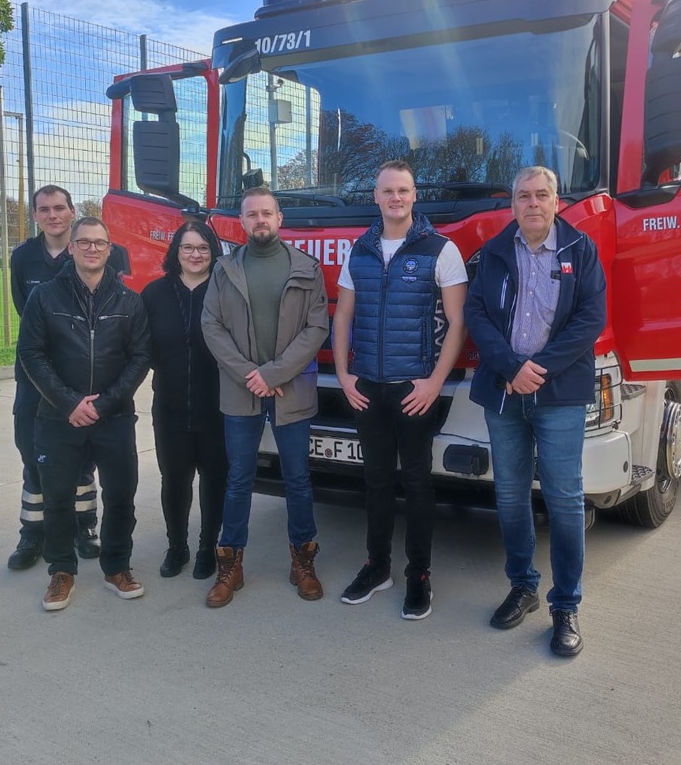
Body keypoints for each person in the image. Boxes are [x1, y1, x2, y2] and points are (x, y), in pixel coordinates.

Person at [463, 166, 607, 657]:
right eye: (523, 196)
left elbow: (591, 318)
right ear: (513, 205)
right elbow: (476, 312)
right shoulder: (497, 251)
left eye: (541, 195)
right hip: (504, 393)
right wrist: (509, 366)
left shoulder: (580, 250)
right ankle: (522, 586)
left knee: (565, 500)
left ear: (557, 201)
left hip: (559, 394)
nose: (532, 203)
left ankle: (565, 605)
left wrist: (537, 369)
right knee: (509, 495)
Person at [333, 160, 467, 619]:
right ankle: (377, 567)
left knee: (416, 483)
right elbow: (343, 317)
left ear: (414, 196)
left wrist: (434, 382)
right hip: (368, 386)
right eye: (387, 191)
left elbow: (457, 323)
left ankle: (419, 576)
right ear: (375, 197)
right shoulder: (361, 251)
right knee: (375, 482)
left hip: (415, 388)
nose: (395, 198)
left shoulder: (440, 250)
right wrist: (346, 376)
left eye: (403, 191)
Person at [200, 186, 329, 608]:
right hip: (241, 393)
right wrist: (250, 376)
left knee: (298, 479)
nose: (259, 220)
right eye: (251, 214)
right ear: (242, 221)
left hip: (292, 389)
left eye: (266, 213)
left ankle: (303, 562)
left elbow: (316, 329)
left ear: (279, 219)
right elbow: (212, 327)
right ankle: (231, 565)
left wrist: (273, 373)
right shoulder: (224, 270)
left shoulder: (307, 269)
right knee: (238, 479)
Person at [17, 217, 151, 611]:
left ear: (110, 250)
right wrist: (69, 403)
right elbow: (31, 354)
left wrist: (105, 403)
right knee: (57, 495)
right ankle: (61, 571)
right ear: (71, 247)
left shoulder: (130, 301)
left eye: (100, 243)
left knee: (122, 495)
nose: (92, 249)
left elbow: (140, 356)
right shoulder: (45, 297)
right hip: (58, 418)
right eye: (85, 242)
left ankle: (117, 567)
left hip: (115, 417)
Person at [6, 184, 131, 570]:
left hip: (87, 380)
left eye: (59, 208)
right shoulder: (24, 257)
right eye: (44, 209)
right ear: (35, 215)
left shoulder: (105, 254)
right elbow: (25, 315)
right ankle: (32, 534)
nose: (52, 215)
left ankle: (84, 527)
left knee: (83, 459)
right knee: (33, 452)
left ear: (72, 212)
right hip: (38, 379)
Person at [140, 220, 228, 581]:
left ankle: (208, 547)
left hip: (218, 406)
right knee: (174, 480)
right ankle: (177, 547)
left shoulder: (226, 291)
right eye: (188, 247)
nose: (195, 254)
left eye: (203, 248)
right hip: (170, 405)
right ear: (176, 252)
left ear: (213, 252)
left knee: (214, 479)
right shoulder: (154, 293)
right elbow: (141, 348)